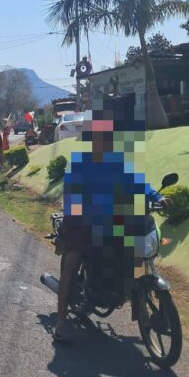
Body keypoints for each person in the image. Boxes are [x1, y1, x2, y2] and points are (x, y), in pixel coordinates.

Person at [53, 95, 171, 342]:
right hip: (82, 222)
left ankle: (118, 287)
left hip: (111, 220)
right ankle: (61, 321)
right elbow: (73, 196)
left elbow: (138, 184)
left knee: (131, 249)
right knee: (72, 261)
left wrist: (157, 197)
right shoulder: (81, 164)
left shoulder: (119, 163)